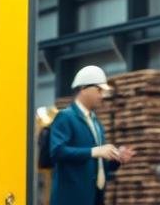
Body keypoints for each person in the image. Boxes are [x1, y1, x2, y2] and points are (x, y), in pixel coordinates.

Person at [50, 65, 136, 205]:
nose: (102, 95)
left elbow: (99, 164)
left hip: (94, 198)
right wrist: (94, 151)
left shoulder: (95, 122)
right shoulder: (65, 117)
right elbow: (57, 151)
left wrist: (116, 158)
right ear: (83, 88)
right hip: (71, 199)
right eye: (98, 90)